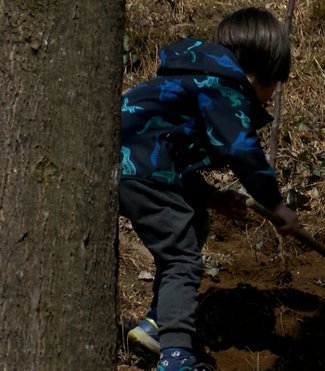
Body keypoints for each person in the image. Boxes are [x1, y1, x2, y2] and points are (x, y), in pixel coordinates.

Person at [119, 7, 298, 371]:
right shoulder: (225, 88)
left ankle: (158, 323)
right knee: (182, 259)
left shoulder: (195, 78)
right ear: (258, 73)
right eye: (274, 85)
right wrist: (276, 205)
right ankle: (175, 358)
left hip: (126, 166)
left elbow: (170, 154)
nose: (270, 98)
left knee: (195, 221)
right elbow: (242, 150)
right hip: (141, 171)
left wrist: (212, 197)